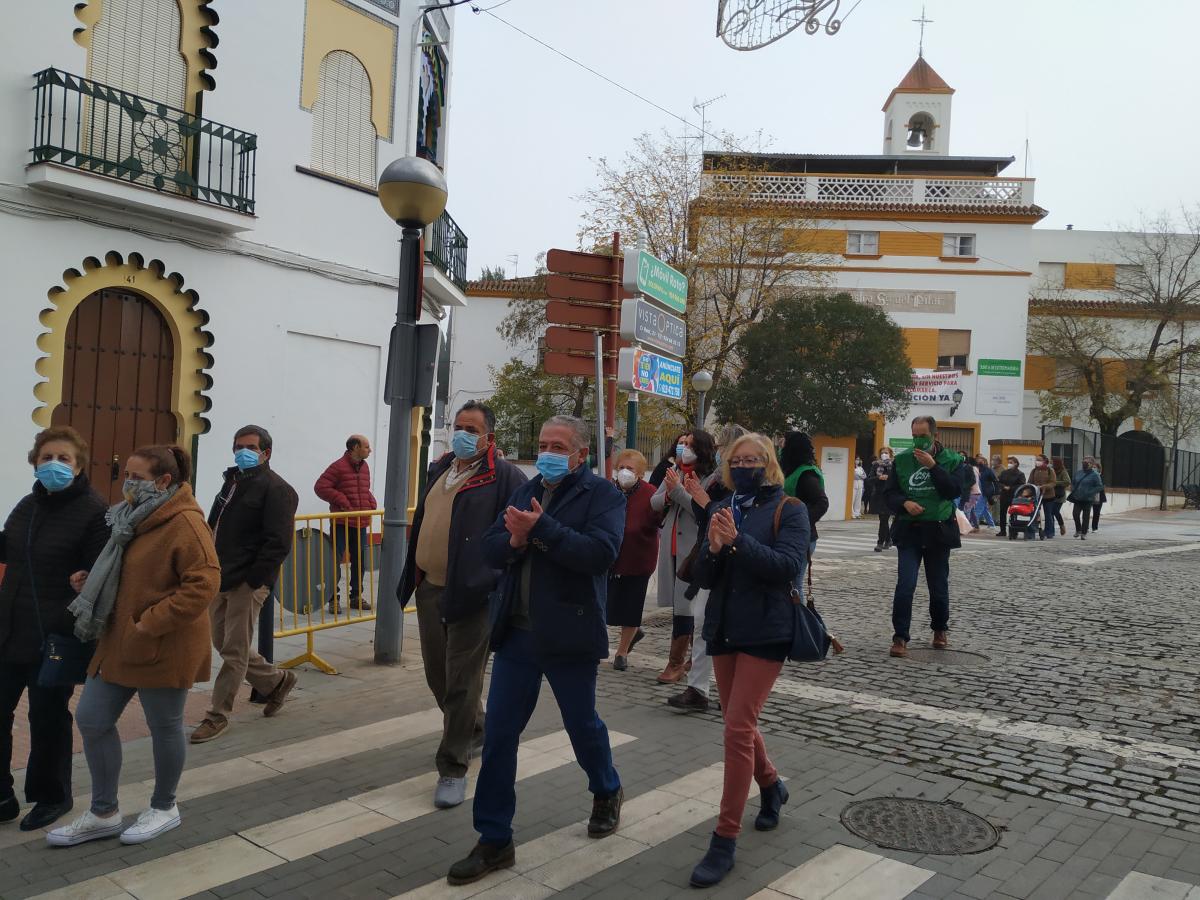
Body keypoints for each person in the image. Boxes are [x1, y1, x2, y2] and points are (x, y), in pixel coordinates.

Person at [446, 416, 625, 885]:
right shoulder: (524, 488)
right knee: (501, 737)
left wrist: (541, 529)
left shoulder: (602, 496)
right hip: (517, 636)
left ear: (580, 455)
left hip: (569, 635)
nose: (548, 452)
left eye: (558, 446)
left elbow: (600, 555)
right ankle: (494, 839)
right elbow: (490, 549)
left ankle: (606, 788)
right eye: (543, 443)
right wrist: (514, 539)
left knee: (581, 725)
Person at [48, 446, 220, 847]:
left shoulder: (185, 523)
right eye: (126, 473)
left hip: (160, 643)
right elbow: (128, 570)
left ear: (163, 482)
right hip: (118, 640)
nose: (127, 482)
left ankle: (164, 807)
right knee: (92, 719)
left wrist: (149, 623)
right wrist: (92, 580)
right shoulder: (131, 518)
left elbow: (205, 583)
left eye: (137, 477)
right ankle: (104, 811)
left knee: (164, 727)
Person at [685, 433, 809, 888]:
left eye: (754, 459)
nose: (745, 465)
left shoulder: (789, 509)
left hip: (767, 629)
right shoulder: (723, 508)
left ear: (769, 464)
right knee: (739, 722)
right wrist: (715, 549)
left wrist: (736, 543)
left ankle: (724, 838)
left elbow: (785, 566)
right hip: (724, 627)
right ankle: (772, 785)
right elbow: (701, 576)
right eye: (737, 460)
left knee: (738, 727)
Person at [401, 402, 527, 809]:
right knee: (438, 677)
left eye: (472, 428)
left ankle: (452, 767)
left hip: (474, 595)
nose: (463, 434)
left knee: (461, 682)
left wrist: (491, 578)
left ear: (489, 437)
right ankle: (475, 727)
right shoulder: (440, 468)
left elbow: (516, 535)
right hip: (430, 589)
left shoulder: (504, 476)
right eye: (458, 426)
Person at [0, 427, 108, 831]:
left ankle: (52, 796)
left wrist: (84, 578)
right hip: (9, 628)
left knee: (47, 718)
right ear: (34, 462)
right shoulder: (27, 505)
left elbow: (100, 569)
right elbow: (10, 547)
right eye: (46, 458)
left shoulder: (95, 511)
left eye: (64, 459)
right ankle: (2, 795)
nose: (54, 465)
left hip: (55, 634)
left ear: (79, 465)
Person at [191, 426, 299, 745]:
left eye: (250, 446)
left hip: (247, 582)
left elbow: (278, 543)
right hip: (220, 575)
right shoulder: (232, 482)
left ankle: (217, 714)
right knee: (222, 641)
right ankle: (277, 681)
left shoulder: (277, 489)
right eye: (238, 446)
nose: (243, 451)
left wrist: (255, 581)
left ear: (266, 452)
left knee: (234, 650)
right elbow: (214, 525)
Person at [883, 417, 962, 657]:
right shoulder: (902, 460)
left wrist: (933, 467)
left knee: (938, 586)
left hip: (938, 530)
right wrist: (904, 502)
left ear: (935, 435)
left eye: (923, 435)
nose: (918, 440)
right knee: (905, 585)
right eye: (914, 435)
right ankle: (900, 637)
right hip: (910, 530)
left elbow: (953, 491)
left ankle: (939, 629)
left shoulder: (952, 460)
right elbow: (889, 494)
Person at [650, 430, 719, 685]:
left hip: (694, 548)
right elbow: (654, 502)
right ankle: (686, 660)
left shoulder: (710, 478)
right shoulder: (675, 471)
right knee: (682, 606)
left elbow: (703, 509)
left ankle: (676, 663)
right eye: (681, 444)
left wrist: (678, 492)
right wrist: (669, 492)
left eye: (689, 445)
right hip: (671, 545)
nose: (683, 449)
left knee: (685, 607)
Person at [607, 450, 658, 672]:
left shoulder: (650, 493)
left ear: (641, 473)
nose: (625, 472)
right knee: (607, 605)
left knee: (631, 607)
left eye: (631, 469)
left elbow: (658, 520)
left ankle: (622, 651)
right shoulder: (608, 491)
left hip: (638, 558)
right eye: (622, 468)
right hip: (610, 558)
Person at [314, 435, 378, 614]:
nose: (369, 450)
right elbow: (320, 487)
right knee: (335, 560)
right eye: (366, 446)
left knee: (360, 561)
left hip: (360, 521)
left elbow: (363, 489)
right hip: (342, 522)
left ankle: (356, 596)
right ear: (355, 447)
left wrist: (370, 501)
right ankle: (333, 599)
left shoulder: (364, 467)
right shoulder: (338, 466)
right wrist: (340, 499)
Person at [780, 433, 829, 557]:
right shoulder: (792, 470)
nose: (781, 448)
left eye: (784, 444)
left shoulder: (806, 474)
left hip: (801, 537)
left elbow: (822, 503)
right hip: (788, 533)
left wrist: (800, 521)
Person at [1071, 457, 1104, 539]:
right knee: (1075, 514)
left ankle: (1084, 532)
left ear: (1092, 464)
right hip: (1078, 497)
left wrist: (1090, 492)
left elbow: (1099, 486)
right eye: (1083, 462)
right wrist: (1073, 490)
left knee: (1085, 516)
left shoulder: (1095, 475)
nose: (1084, 463)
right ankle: (1078, 529)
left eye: (1087, 462)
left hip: (1088, 498)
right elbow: (1073, 482)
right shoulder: (1078, 473)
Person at [868, 450, 894, 552]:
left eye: (886, 452)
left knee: (884, 519)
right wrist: (879, 477)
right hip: (878, 495)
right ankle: (888, 540)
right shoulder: (875, 465)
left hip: (889, 495)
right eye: (883, 452)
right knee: (883, 519)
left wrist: (889, 478)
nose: (884, 454)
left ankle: (880, 543)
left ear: (890, 454)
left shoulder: (893, 465)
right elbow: (869, 479)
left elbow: (898, 479)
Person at [1027, 454, 1057, 540]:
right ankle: (1033, 530)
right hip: (1036, 495)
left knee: (1048, 514)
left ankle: (1049, 532)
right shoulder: (1034, 471)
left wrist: (1044, 486)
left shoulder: (1050, 470)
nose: (1037, 461)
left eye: (1039, 460)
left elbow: (1053, 482)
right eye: (1037, 459)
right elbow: (1030, 481)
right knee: (1034, 513)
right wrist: (1031, 487)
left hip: (1048, 495)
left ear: (1044, 461)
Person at [996, 456, 1025, 537]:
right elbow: (998, 482)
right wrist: (1003, 486)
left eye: (1011, 463)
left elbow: (1021, 485)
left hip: (1014, 496)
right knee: (1002, 513)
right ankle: (1002, 531)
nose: (1009, 464)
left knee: (1013, 513)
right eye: (1008, 462)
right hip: (1004, 495)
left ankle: (1013, 531)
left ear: (1016, 464)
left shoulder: (1020, 474)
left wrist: (1011, 488)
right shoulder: (1004, 472)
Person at [973, 455, 998, 529]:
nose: (979, 462)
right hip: (977, 491)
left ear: (984, 462)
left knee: (978, 508)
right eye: (978, 460)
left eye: (981, 461)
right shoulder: (975, 469)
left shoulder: (988, 470)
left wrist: (996, 492)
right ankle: (991, 524)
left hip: (985, 492)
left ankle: (973, 525)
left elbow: (995, 481)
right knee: (984, 509)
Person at [1052, 458, 1071, 535]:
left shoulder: (1063, 472)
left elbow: (1067, 482)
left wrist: (1055, 482)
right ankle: (1051, 529)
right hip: (1051, 494)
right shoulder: (1051, 470)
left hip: (1059, 495)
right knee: (1050, 513)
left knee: (1055, 511)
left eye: (1053, 463)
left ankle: (1062, 526)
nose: (1052, 464)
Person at [1091, 463, 1107, 532]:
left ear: (1098, 468)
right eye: (1093, 467)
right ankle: (1086, 527)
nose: (1093, 468)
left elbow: (1103, 486)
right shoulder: (1089, 476)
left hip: (1099, 497)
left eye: (1095, 467)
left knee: (1096, 513)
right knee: (1087, 512)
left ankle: (1094, 527)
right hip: (1090, 496)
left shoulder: (1101, 476)